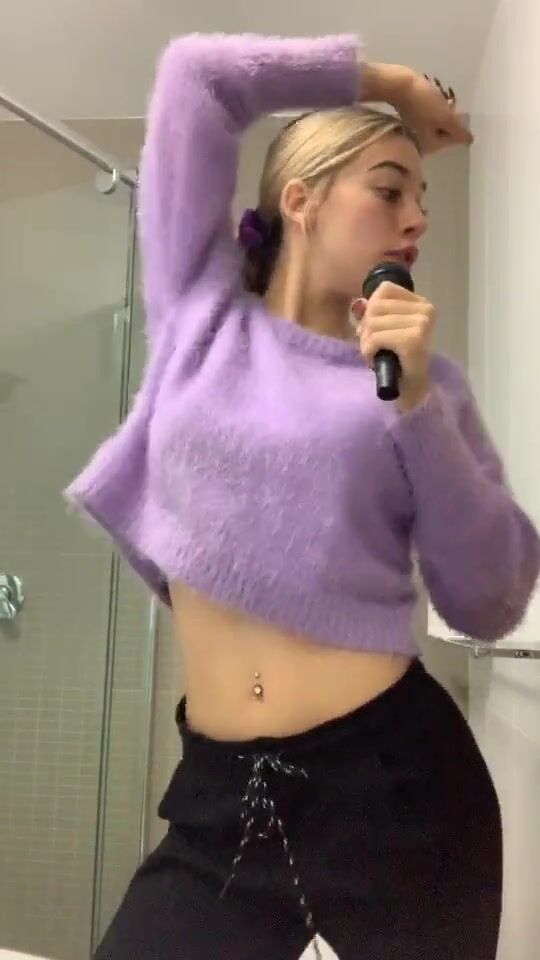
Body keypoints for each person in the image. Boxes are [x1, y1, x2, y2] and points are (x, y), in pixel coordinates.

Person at [66, 33, 540, 960]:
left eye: (422, 200)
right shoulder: (200, 320)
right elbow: (198, 78)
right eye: (390, 189)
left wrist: (416, 407)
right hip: (220, 802)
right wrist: (389, 83)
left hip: (398, 795)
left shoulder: (427, 387)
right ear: (301, 199)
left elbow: (490, 598)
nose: (415, 217)